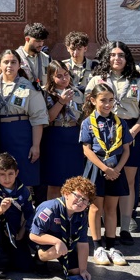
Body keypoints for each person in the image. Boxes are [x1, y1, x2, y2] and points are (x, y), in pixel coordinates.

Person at [87, 41, 140, 244]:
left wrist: (133, 132)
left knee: (128, 181)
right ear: (107, 57)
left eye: (121, 55)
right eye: (113, 55)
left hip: (129, 131)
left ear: (127, 58)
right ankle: (100, 230)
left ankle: (125, 227)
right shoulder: (98, 79)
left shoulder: (139, 79)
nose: (117, 58)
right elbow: (88, 107)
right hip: (103, 135)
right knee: (101, 181)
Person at [80, 82, 130, 267]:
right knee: (95, 208)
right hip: (97, 168)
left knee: (111, 208)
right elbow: (87, 150)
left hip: (116, 169)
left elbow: (126, 150)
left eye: (111, 100)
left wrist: (116, 170)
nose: (107, 104)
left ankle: (111, 247)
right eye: (103, 100)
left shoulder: (120, 122)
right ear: (93, 100)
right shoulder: (88, 122)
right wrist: (104, 168)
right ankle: (97, 247)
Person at [0, 50, 48, 192]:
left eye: (13, 62)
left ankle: (22, 211)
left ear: (19, 65)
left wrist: (36, 145)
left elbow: (38, 117)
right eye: (6, 62)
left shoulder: (29, 86)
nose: (9, 65)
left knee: (23, 176)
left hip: (21, 135)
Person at [29, 176, 95, 280]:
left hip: (67, 243)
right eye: (77, 196)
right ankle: (40, 259)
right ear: (66, 193)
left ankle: (63, 257)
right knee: (56, 249)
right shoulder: (50, 208)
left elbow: (83, 243)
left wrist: (83, 270)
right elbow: (33, 235)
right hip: (43, 239)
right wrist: (56, 241)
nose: (80, 202)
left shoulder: (81, 215)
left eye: (85, 200)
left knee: (76, 271)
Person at [0, 153, 34, 278]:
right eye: (2, 174)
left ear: (16, 173)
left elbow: (29, 215)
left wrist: (21, 232)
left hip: (15, 231)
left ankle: (8, 253)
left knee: (25, 267)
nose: (7, 178)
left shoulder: (24, 190)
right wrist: (1, 208)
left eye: (10, 174)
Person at [42, 61, 86, 200]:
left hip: (73, 137)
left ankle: (73, 215)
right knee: (55, 182)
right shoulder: (45, 93)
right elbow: (47, 118)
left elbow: (83, 118)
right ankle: (53, 214)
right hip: (55, 136)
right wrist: (61, 102)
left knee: (75, 182)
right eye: (59, 76)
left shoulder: (77, 92)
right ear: (51, 77)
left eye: (66, 74)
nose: (64, 78)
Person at [16, 23, 51, 88]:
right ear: (27, 39)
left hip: (42, 96)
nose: (41, 44)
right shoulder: (15, 58)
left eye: (42, 41)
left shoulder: (47, 58)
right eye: (37, 41)